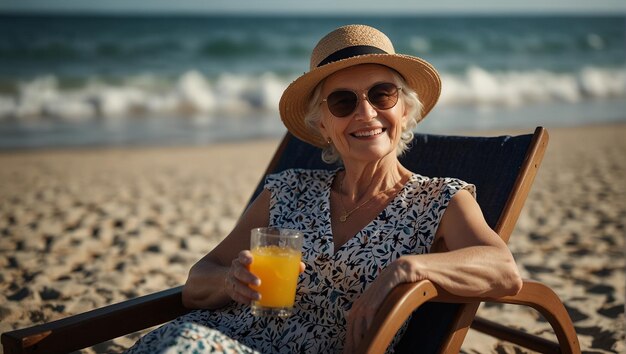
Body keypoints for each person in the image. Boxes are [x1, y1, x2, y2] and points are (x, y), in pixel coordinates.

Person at [126, 24, 522, 354]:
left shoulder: (438, 199)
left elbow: (504, 270)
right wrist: (232, 280)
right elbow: (196, 283)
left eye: (382, 94)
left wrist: (406, 267)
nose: (366, 113)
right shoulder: (288, 188)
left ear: (405, 108)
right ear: (322, 126)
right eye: (343, 102)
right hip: (210, 336)